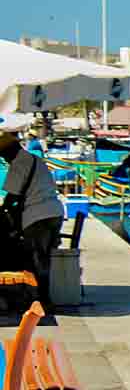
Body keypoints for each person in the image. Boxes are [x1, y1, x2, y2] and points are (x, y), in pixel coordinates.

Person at [0, 115, 62, 311]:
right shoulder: (35, 160)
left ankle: (42, 300)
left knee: (35, 259)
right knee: (44, 258)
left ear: (9, 151)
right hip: (54, 213)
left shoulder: (18, 164)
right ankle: (43, 297)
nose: (4, 159)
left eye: (3, 155)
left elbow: (12, 197)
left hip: (38, 217)